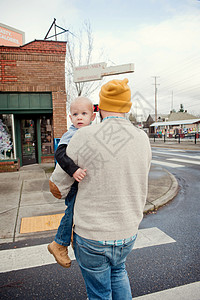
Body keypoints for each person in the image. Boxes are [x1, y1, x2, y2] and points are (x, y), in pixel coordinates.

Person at [49, 78, 152, 299]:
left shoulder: (83, 136)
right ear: (126, 107)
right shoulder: (142, 138)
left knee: (99, 294)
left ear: (100, 108)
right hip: (127, 232)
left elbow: (57, 187)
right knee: (118, 273)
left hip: (92, 235)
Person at [48, 96, 96, 268]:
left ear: (93, 116)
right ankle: (59, 243)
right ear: (70, 117)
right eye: (75, 114)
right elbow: (59, 154)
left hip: (87, 182)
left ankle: (74, 239)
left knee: (80, 214)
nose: (79, 117)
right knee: (72, 210)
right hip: (75, 184)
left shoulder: (93, 132)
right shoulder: (71, 134)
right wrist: (73, 169)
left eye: (84, 113)